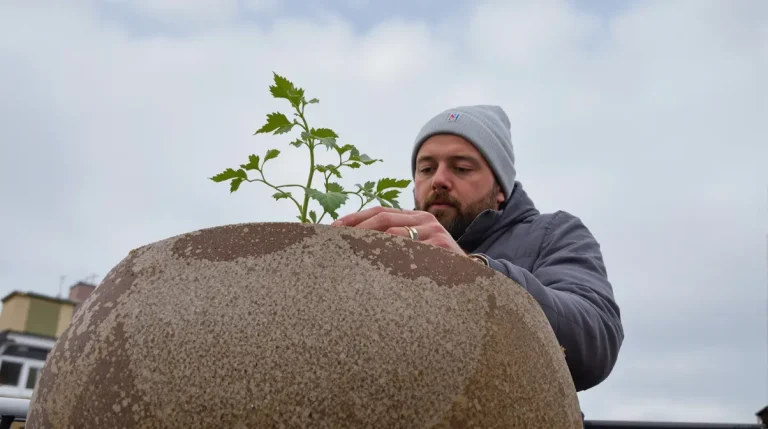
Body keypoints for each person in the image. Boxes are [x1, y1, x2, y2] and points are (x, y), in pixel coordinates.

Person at [332, 104, 623, 392]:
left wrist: (475, 273)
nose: (439, 180)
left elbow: (596, 342)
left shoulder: (554, 233)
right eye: (426, 168)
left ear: (500, 188)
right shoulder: (388, 247)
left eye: (461, 168)